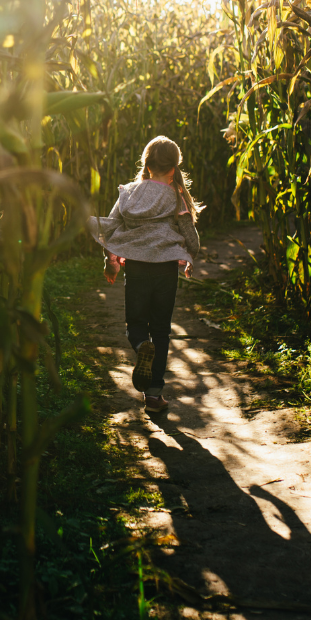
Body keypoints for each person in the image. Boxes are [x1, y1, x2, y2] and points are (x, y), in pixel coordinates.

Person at [86, 136, 202, 414]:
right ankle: (153, 396)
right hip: (165, 270)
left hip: (137, 268)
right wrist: (190, 255)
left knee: (135, 323)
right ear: (174, 168)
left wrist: (110, 261)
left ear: (146, 165)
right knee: (161, 329)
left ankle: (141, 346)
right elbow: (189, 234)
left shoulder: (128, 193)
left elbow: (112, 228)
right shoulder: (177, 195)